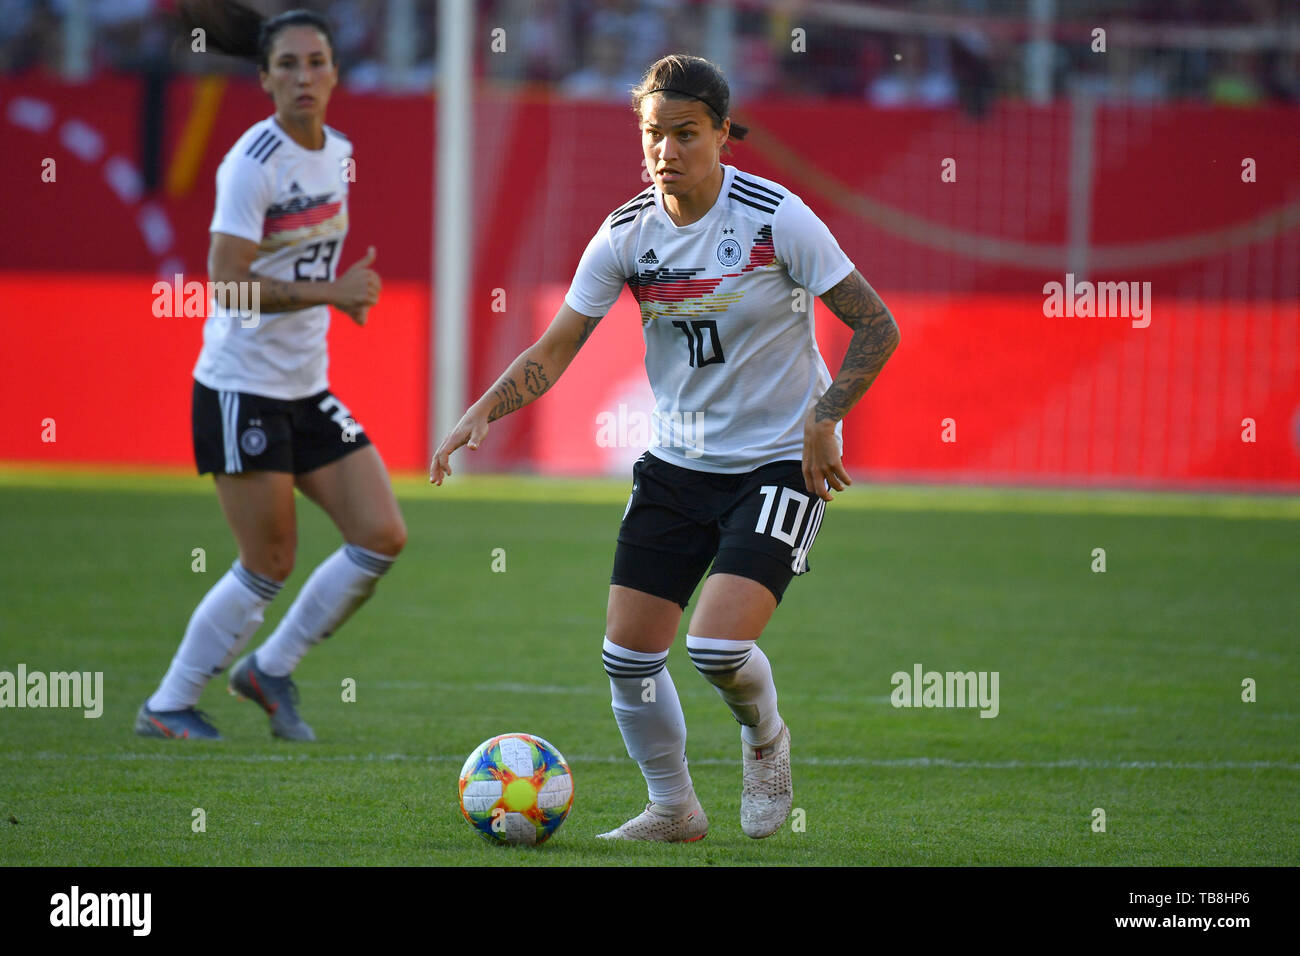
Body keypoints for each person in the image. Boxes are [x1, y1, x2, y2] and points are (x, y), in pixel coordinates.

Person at [432, 53, 899, 841]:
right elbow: (554, 350)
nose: (667, 151)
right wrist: (481, 410)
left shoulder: (775, 217)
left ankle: (765, 738)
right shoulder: (625, 234)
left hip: (783, 458)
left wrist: (825, 415)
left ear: (722, 133)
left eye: (686, 133)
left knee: (716, 645)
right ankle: (674, 809)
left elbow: (877, 325)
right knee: (628, 659)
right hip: (679, 464)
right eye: (655, 134)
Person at [136, 2, 406, 741]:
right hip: (240, 389)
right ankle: (168, 704)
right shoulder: (249, 164)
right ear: (264, 79)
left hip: (304, 388)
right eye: (287, 65)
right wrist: (333, 292)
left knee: (381, 534)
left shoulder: (336, 150)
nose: (304, 78)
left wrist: (341, 289)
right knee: (269, 561)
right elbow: (225, 282)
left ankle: (270, 668)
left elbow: (304, 259)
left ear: (335, 73)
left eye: (315, 63)